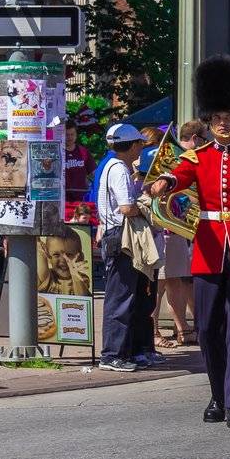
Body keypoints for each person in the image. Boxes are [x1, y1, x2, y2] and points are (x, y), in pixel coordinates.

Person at [148, 55, 230, 429]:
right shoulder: (198, 157)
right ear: (209, 120)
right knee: (208, 328)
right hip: (209, 250)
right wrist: (165, 182)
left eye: (229, 117)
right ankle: (218, 394)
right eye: (217, 118)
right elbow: (180, 174)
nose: (222, 123)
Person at [96, 123, 150, 373]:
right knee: (120, 296)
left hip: (116, 234)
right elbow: (127, 207)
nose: (141, 146)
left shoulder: (116, 166)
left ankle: (124, 351)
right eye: (139, 142)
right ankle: (111, 354)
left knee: (127, 295)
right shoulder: (118, 169)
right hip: (120, 235)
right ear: (131, 145)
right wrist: (148, 209)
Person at [156, 120, 206, 348]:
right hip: (166, 228)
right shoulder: (181, 160)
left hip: (178, 228)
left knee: (176, 281)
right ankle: (153, 330)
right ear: (195, 138)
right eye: (204, 140)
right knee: (160, 284)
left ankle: (182, 328)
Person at [63, 122, 95, 206]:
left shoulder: (83, 151)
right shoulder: (58, 152)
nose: (69, 137)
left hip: (81, 198)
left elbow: (93, 173)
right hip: (63, 198)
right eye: (67, 135)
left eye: (72, 134)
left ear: (76, 135)